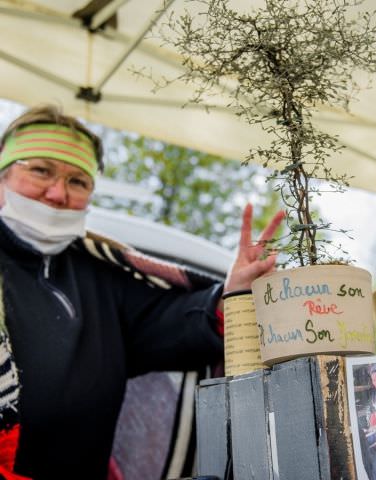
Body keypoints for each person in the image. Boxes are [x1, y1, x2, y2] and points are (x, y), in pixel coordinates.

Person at [0, 104, 285, 480]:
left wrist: (233, 293)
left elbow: (177, 323)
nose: (57, 194)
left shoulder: (104, 277)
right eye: (41, 171)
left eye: (78, 181)